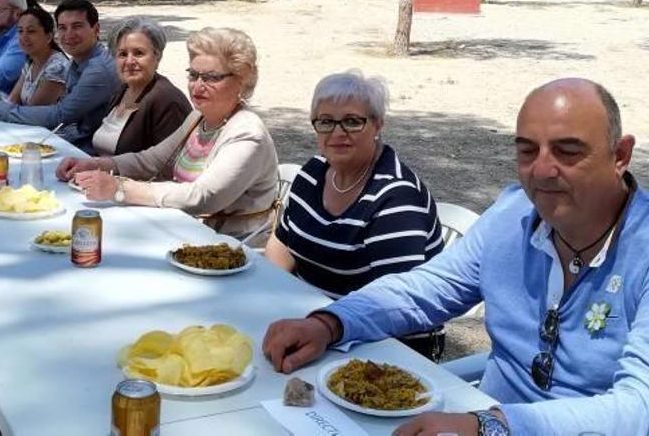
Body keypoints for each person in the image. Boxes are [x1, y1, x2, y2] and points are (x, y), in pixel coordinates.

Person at [263, 78, 649, 436]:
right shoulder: (512, 215)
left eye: (567, 151)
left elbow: (639, 406)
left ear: (620, 154)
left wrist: (492, 426)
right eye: (527, 150)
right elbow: (426, 289)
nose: (543, 170)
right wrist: (331, 323)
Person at [265, 70, 445, 360]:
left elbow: (393, 306)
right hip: (313, 324)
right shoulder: (313, 173)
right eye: (325, 122)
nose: (337, 132)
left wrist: (321, 324)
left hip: (381, 347)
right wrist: (273, 302)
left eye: (352, 121)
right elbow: (282, 245)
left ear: (378, 125)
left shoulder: (395, 198)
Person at [56, 27, 279, 240]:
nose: (197, 86)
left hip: (233, 249)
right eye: (193, 75)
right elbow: (151, 160)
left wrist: (119, 188)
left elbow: (203, 197)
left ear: (242, 81)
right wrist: (96, 164)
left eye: (211, 77)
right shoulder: (198, 117)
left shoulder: (247, 133)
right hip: (183, 230)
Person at [0, 0, 120, 152]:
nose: (69, 35)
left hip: (90, 153)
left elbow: (60, 115)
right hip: (74, 142)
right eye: (63, 28)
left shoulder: (98, 69)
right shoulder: (75, 62)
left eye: (77, 26)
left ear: (96, 29)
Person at [91, 16, 191, 156]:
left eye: (139, 53)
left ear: (157, 57)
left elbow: (166, 165)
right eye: (122, 54)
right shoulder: (123, 90)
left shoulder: (167, 101)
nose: (130, 61)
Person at [0, 7, 68, 110]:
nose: (24, 37)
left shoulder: (57, 67)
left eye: (31, 31)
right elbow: (12, 101)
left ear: (48, 37)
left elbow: (32, 113)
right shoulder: (31, 62)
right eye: (20, 31)